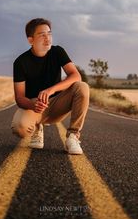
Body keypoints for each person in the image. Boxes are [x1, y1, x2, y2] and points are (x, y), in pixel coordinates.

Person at [11, 18, 89, 154]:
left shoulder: (57, 52)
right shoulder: (20, 62)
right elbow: (19, 98)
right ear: (30, 40)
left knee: (82, 87)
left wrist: (51, 89)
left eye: (49, 34)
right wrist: (32, 105)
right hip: (36, 107)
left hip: (59, 103)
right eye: (42, 35)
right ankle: (37, 128)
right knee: (19, 127)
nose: (48, 39)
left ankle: (73, 136)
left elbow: (75, 75)